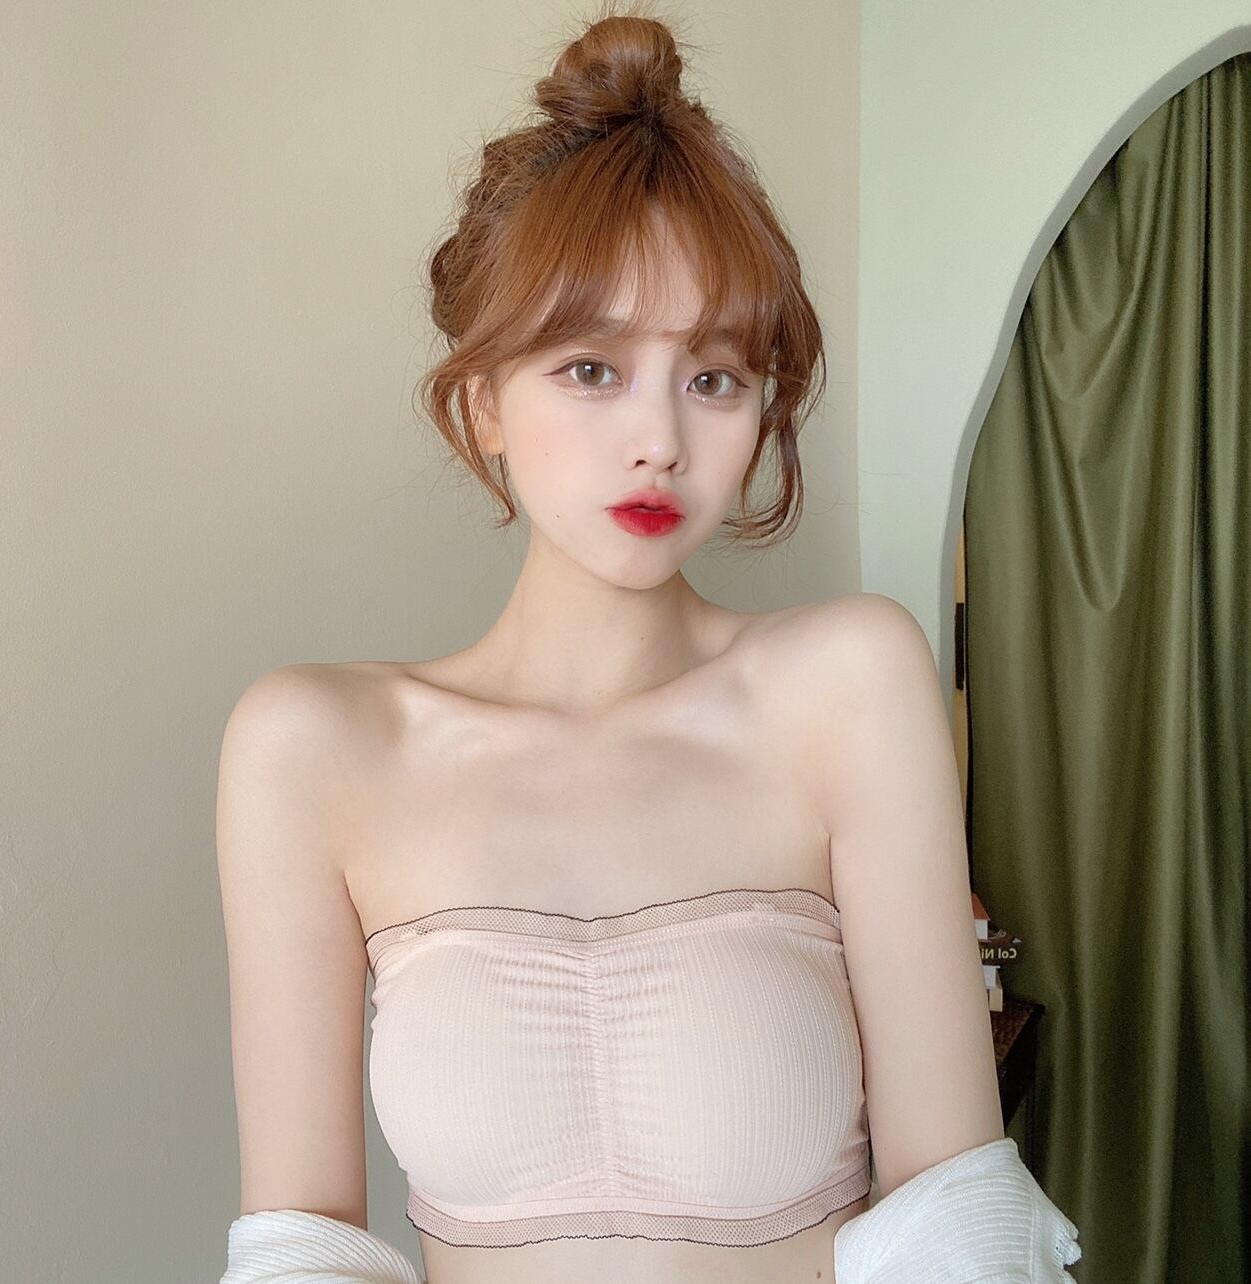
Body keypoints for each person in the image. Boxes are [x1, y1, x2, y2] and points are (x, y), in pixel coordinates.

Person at [217, 4, 1082, 1282]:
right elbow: (302, 1249)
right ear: (480, 402)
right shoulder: (315, 748)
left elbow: (952, 1216)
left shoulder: (847, 685)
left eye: (713, 377)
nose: (661, 442)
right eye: (590, 369)